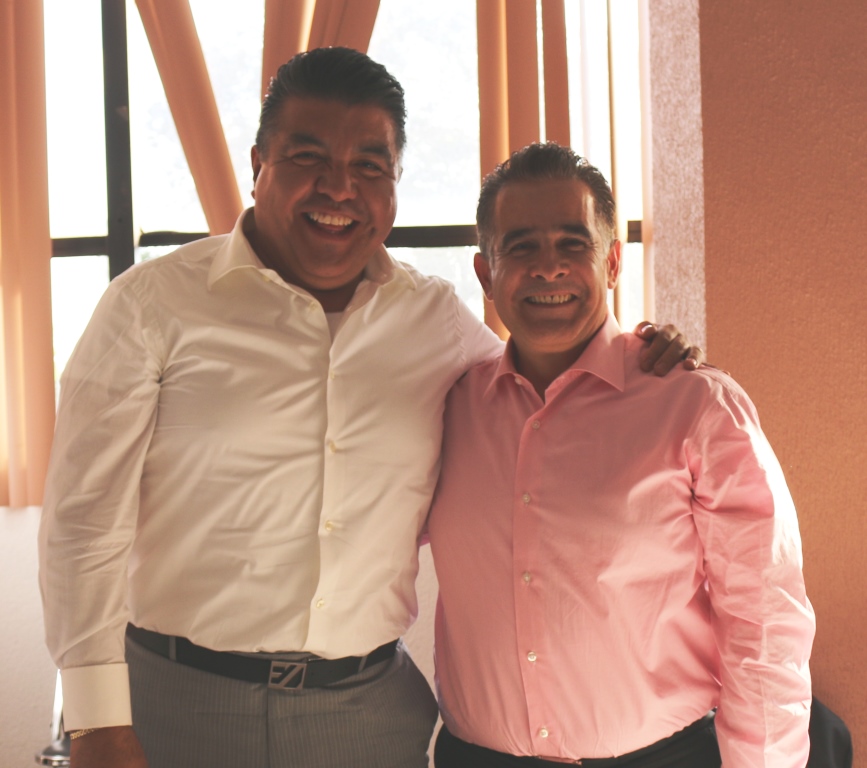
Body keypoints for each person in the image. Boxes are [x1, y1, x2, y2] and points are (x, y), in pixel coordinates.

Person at [38, 49, 700, 768]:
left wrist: (641, 355)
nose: (338, 188)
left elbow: (547, 383)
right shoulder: (151, 305)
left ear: (395, 184)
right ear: (258, 163)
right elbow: (84, 521)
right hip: (173, 704)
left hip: (367, 717)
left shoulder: (434, 320)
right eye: (308, 157)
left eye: (370, 166)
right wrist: (96, 722)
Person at [428, 142, 815, 768]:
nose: (548, 268)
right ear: (485, 274)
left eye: (572, 243)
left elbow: (765, 620)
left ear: (611, 261)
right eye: (521, 247)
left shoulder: (696, 405)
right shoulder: (447, 406)